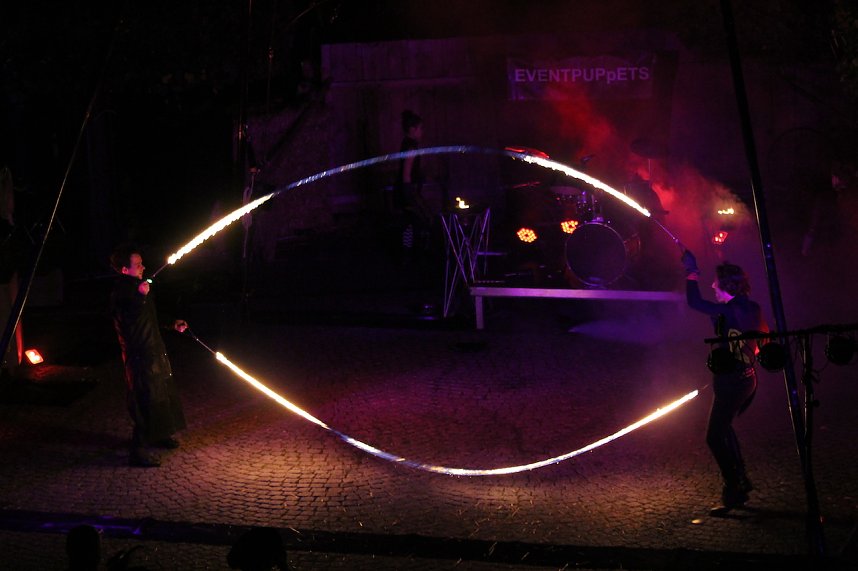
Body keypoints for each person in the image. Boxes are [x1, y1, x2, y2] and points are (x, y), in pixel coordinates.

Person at [681, 250, 768, 515]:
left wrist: (692, 272)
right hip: (747, 380)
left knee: (715, 436)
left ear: (727, 287)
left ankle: (734, 489)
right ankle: (740, 484)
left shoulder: (727, 311)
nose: (712, 285)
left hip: (732, 383)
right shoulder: (752, 308)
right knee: (724, 430)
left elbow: (694, 302)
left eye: (716, 283)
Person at [109, 244, 188, 468]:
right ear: (125, 270)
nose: (143, 267)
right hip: (140, 355)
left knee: (162, 393)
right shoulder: (122, 293)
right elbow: (129, 320)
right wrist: (140, 298)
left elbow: (150, 317)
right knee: (146, 400)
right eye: (138, 265)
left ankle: (160, 434)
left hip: (154, 350)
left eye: (142, 263)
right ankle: (139, 451)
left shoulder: (139, 288)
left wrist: (171, 323)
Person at [392, 109, 432, 263]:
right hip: (407, 189)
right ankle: (415, 253)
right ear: (412, 129)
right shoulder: (410, 147)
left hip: (406, 188)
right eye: (420, 128)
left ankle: (408, 253)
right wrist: (410, 193)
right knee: (419, 220)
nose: (422, 132)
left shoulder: (408, 144)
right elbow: (406, 172)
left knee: (409, 222)